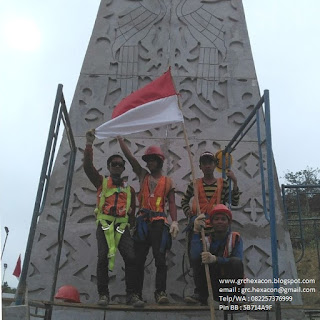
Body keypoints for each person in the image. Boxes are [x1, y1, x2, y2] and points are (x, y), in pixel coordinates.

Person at [84, 129, 144, 307]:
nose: (117, 166)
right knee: (103, 258)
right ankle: (103, 294)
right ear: (109, 167)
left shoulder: (129, 190)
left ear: (123, 169)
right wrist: (89, 144)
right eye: (114, 164)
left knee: (131, 259)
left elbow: (132, 211)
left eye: (120, 164)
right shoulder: (101, 182)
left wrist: (132, 227)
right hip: (104, 225)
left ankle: (132, 295)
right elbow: (88, 167)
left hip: (122, 228)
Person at [118, 137, 179, 304]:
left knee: (160, 259)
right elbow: (130, 158)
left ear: (159, 161)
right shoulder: (143, 175)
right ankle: (136, 294)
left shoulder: (168, 181)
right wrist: (120, 140)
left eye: (152, 160)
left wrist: (174, 221)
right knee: (138, 260)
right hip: (143, 222)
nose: (149, 163)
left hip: (159, 222)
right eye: (148, 160)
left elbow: (172, 202)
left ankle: (160, 292)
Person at [181, 151, 240, 304]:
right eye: (204, 163)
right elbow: (184, 201)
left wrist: (235, 183)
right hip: (198, 226)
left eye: (210, 162)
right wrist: (190, 215)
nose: (207, 165)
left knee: (216, 260)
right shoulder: (194, 184)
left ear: (214, 165)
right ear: (200, 166)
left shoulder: (223, 183)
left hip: (217, 229)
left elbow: (234, 202)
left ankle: (224, 295)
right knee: (196, 259)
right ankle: (200, 294)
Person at [189, 204, 244, 305]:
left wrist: (216, 259)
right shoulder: (206, 240)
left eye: (223, 219)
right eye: (216, 219)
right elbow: (194, 257)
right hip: (213, 286)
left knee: (236, 262)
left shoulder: (235, 238)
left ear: (229, 223)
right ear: (212, 222)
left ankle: (236, 298)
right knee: (199, 259)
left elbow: (238, 260)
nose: (220, 221)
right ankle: (201, 295)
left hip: (229, 286)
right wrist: (196, 231)